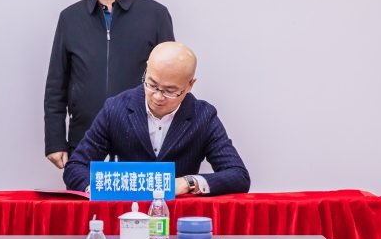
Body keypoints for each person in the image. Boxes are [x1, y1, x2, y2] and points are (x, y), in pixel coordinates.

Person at [44, 0, 175, 169]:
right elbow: (56, 85)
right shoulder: (70, 18)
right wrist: (55, 142)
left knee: (139, 196)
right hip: (84, 141)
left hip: (143, 141)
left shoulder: (155, 15)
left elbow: (171, 82)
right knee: (85, 195)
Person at [63, 42, 250, 196]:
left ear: (190, 85)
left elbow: (238, 175)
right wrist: (97, 190)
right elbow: (76, 166)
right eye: (152, 85)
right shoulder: (115, 108)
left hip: (178, 214)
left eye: (170, 91)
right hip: (125, 213)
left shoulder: (203, 116)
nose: (158, 97)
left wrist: (188, 183)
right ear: (147, 69)